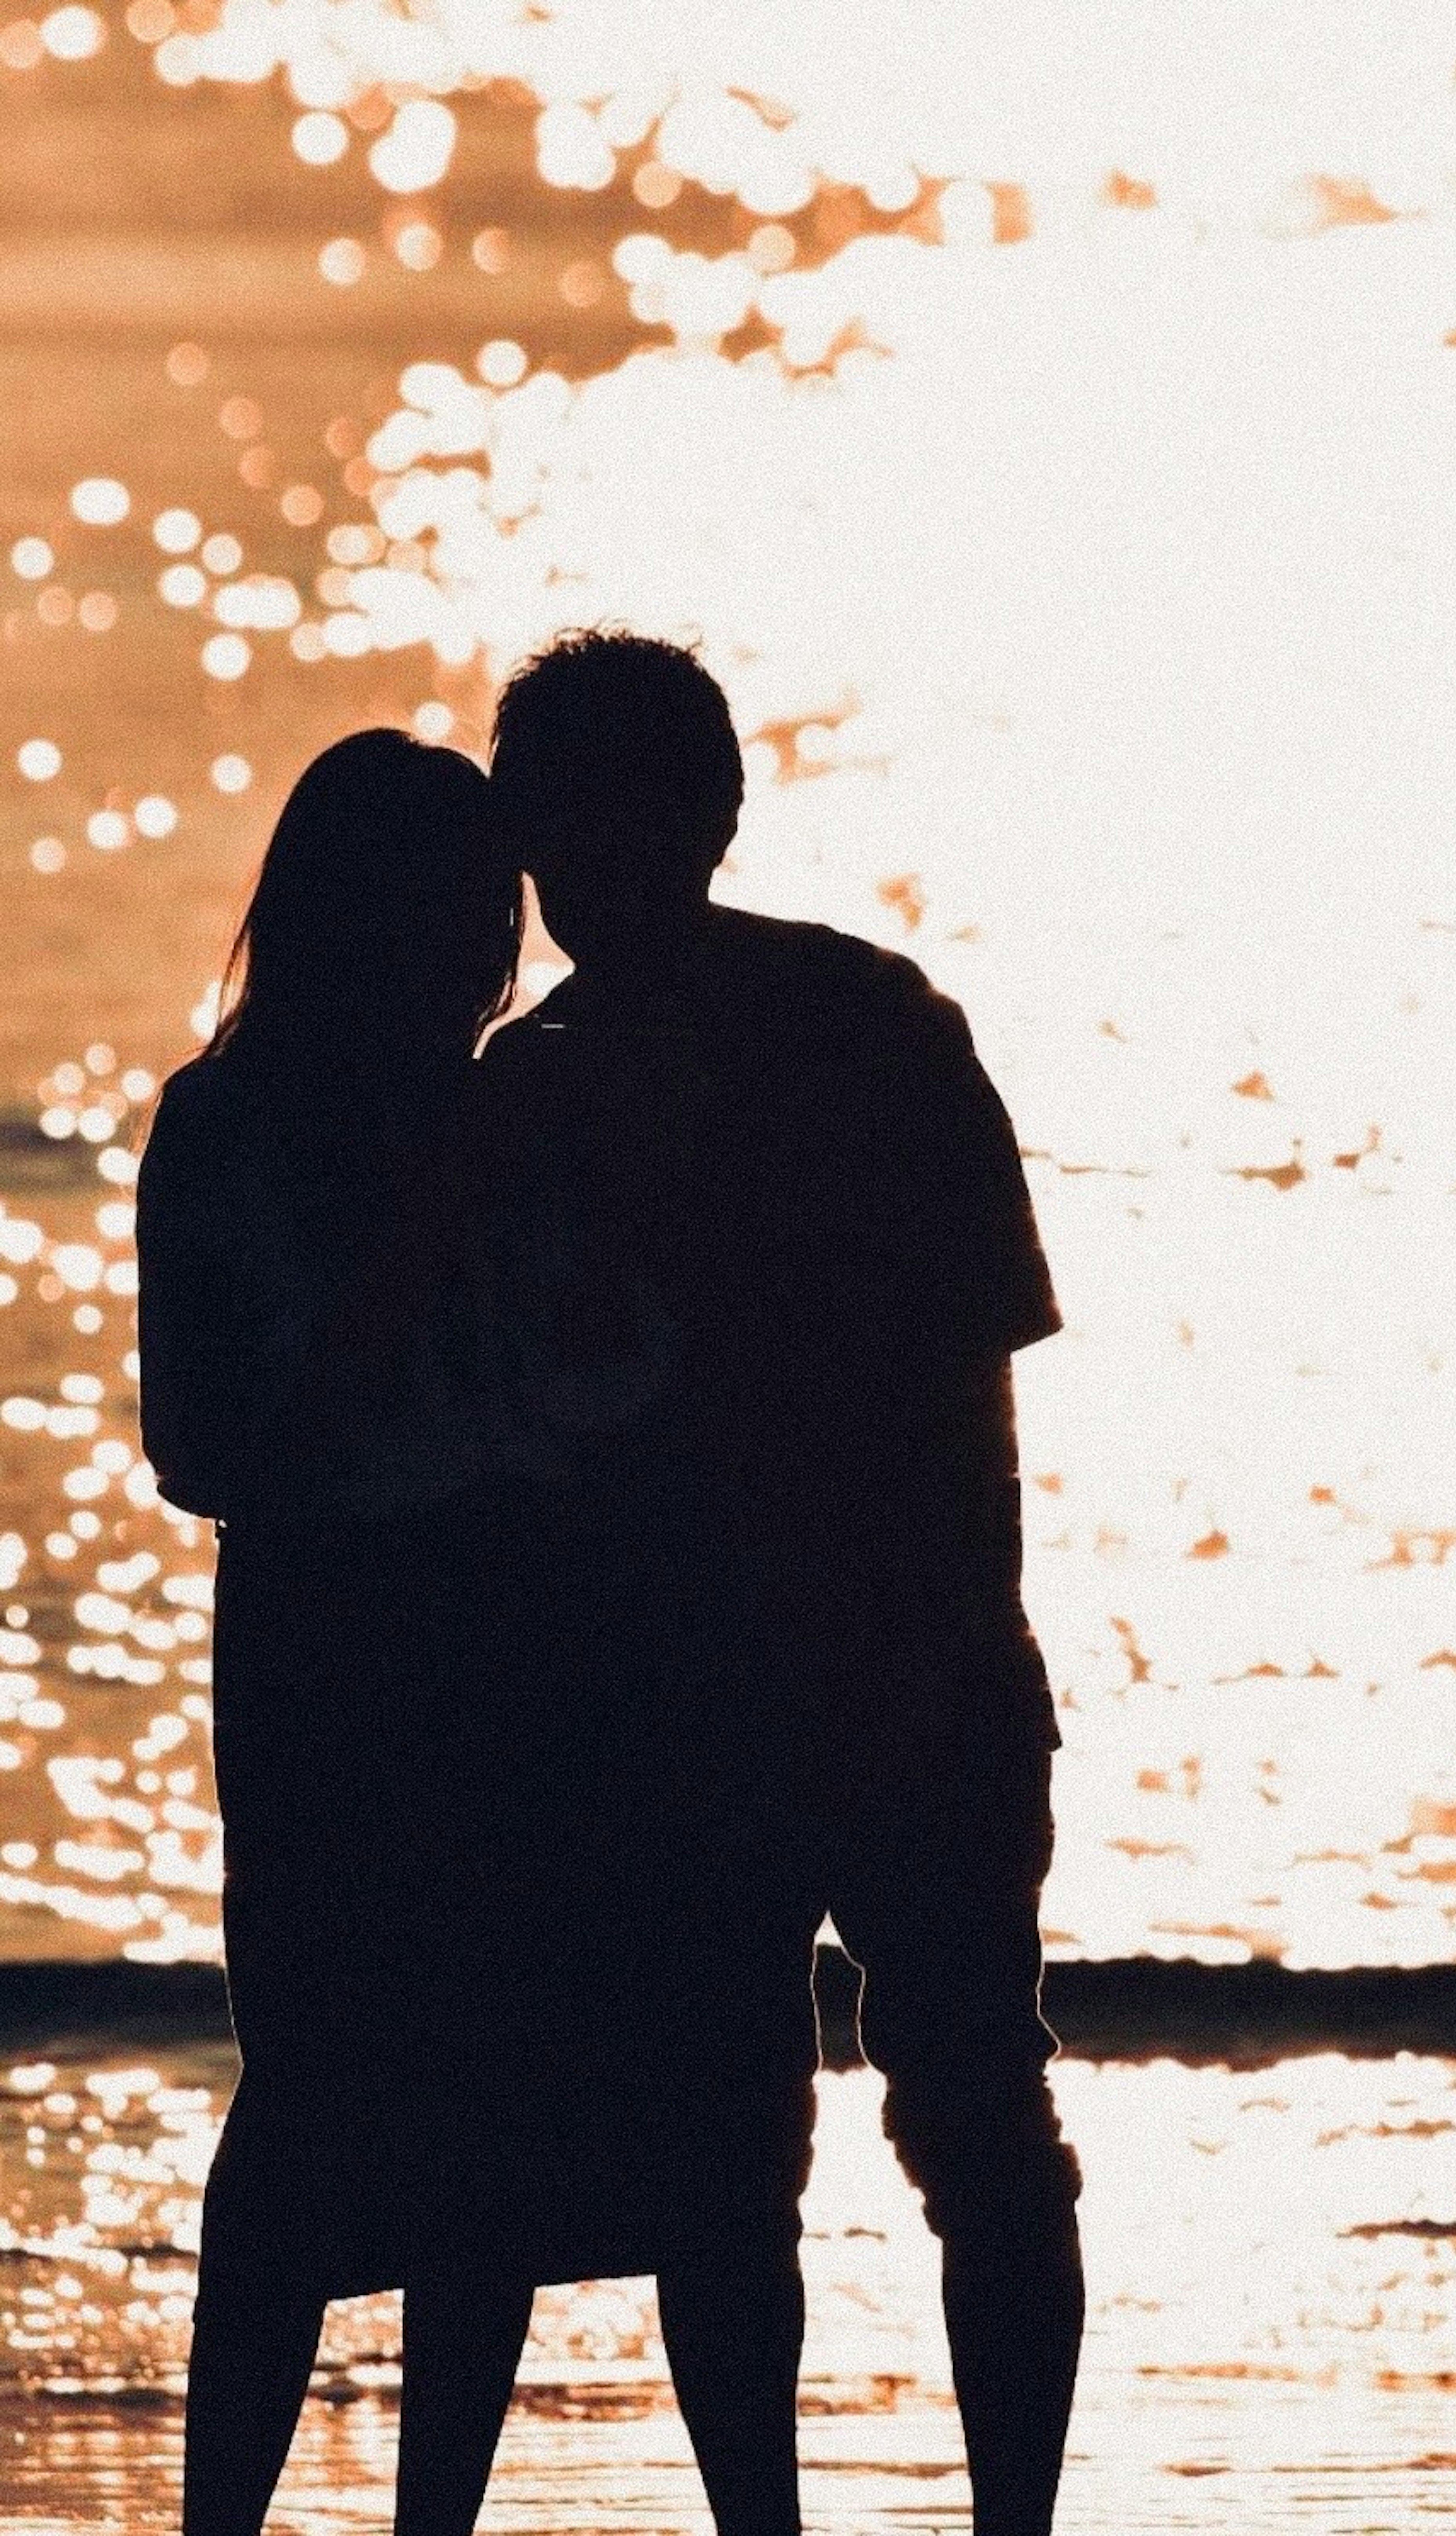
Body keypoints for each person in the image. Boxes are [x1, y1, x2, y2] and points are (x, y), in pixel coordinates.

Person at [137, 726, 820, 2536]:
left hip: (512, 1635)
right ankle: (229, 2514)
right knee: (315, 2105)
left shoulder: (504, 1111)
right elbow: (208, 1445)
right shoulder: (237, 1126)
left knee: (481, 2114)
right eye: (448, 914)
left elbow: (616, 1376)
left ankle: (423, 2513)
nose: (479, 952)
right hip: (344, 1645)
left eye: (484, 913)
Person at [483, 629, 1085, 2536]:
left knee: (842, 2142)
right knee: (892, 2137)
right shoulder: (839, 1023)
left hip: (805, 1674)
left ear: (708, 818)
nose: (585, 859)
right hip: (778, 1678)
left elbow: (967, 1381)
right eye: (556, 820)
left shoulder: (611, 1070)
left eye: (604, 814)